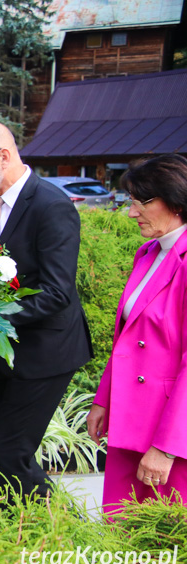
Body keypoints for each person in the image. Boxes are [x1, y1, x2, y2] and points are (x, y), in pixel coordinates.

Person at [0, 121, 92, 500]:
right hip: (10, 349)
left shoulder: (51, 206)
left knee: (10, 452)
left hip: (47, 351)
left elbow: (56, 291)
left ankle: (27, 536)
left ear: (4, 155)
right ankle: (30, 528)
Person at [87, 154, 187, 516]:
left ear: (176, 201)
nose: (132, 213)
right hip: (131, 416)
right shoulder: (148, 253)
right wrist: (104, 400)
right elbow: (128, 338)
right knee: (122, 529)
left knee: (164, 543)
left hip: (169, 429)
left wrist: (168, 447)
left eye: (143, 202)